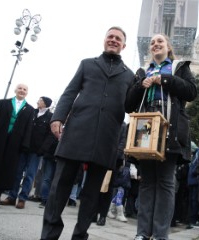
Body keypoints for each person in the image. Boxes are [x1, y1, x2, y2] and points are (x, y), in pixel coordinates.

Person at [40, 26, 134, 240]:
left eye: (118, 38)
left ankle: (80, 234)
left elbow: (131, 107)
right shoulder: (87, 64)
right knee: (59, 188)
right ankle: (49, 234)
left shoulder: (129, 75)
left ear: (124, 45)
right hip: (77, 132)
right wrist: (57, 117)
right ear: (104, 40)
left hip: (106, 138)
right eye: (110, 36)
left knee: (92, 193)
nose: (113, 40)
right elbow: (70, 92)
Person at [125, 33, 197, 240]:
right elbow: (128, 105)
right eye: (152, 42)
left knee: (165, 181)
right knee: (147, 181)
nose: (155, 44)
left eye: (160, 42)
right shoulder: (142, 71)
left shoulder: (178, 67)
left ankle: (159, 234)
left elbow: (191, 92)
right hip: (145, 126)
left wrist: (165, 79)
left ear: (168, 47)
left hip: (170, 126)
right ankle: (142, 233)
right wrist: (141, 85)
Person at [0, 96, 54, 209]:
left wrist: (43, 149)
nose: (37, 101)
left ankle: (22, 199)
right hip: (24, 147)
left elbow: (50, 135)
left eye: (40, 100)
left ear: (45, 103)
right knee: (17, 173)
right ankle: (11, 197)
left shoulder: (50, 117)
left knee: (29, 175)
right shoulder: (31, 112)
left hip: (36, 151)